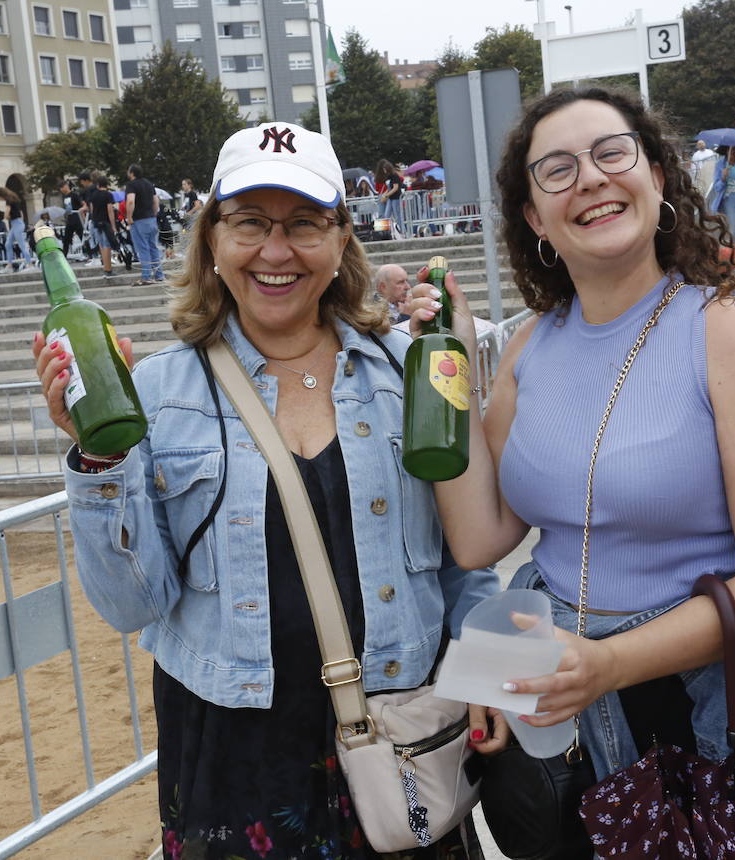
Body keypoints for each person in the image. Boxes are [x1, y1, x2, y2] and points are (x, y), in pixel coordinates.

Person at [32, 120, 497, 858]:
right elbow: (129, 605)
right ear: (211, 238)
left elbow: (463, 555)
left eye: (305, 224)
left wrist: (491, 666)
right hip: (231, 759)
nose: (275, 252)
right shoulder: (153, 392)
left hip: (401, 741)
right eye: (249, 223)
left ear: (342, 237)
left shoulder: (412, 371)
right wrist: (97, 459)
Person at [423, 87, 735, 786]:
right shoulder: (528, 347)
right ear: (535, 217)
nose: (592, 178)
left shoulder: (730, 333)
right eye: (559, 168)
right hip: (594, 721)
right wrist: (441, 358)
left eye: (611, 153)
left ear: (656, 178)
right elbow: (481, 538)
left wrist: (607, 664)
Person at [124, 163, 162, 285]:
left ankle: (146, 276)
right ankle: (159, 275)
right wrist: (154, 213)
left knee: (143, 249)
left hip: (139, 220)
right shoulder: (149, 184)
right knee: (153, 247)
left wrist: (129, 217)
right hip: (151, 219)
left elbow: (130, 201)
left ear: (132, 173)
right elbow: (156, 200)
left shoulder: (131, 185)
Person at [84, 174, 118, 277]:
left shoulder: (93, 195)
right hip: (106, 223)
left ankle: (105, 268)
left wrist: (94, 219)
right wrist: (113, 225)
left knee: (102, 245)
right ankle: (108, 269)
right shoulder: (108, 195)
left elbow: (92, 209)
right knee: (107, 245)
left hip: (96, 222)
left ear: (98, 185)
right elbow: (110, 210)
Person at [374, 159, 404, 238]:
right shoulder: (390, 177)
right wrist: (385, 194)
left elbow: (395, 188)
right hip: (391, 198)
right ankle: (385, 233)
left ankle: (401, 231)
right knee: (386, 215)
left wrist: (386, 195)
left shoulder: (395, 176)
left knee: (397, 215)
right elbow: (389, 188)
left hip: (395, 198)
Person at [59, 179, 85, 258]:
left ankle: (88, 253)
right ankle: (64, 255)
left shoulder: (74, 195)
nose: (61, 190)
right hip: (70, 219)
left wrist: (82, 212)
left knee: (82, 236)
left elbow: (83, 204)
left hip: (77, 218)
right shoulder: (65, 197)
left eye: (62, 187)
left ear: (66, 186)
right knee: (66, 238)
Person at [6, 205, 31, 272]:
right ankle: (9, 265)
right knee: (8, 244)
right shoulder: (15, 206)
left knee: (22, 245)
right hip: (15, 224)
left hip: (17, 224)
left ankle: (29, 263)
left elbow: (6, 216)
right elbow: (20, 214)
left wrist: (7, 212)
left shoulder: (10, 204)